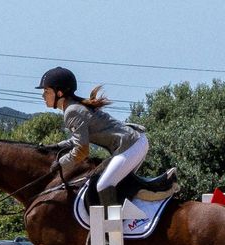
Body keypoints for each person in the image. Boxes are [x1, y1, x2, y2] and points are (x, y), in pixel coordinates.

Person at [36, 66, 149, 207]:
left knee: (104, 185)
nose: (43, 96)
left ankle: (114, 228)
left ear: (59, 93)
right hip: (134, 143)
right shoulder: (74, 108)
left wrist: (59, 165)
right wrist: (56, 147)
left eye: (46, 91)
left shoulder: (72, 111)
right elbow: (77, 140)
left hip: (131, 145)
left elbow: (82, 151)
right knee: (103, 181)